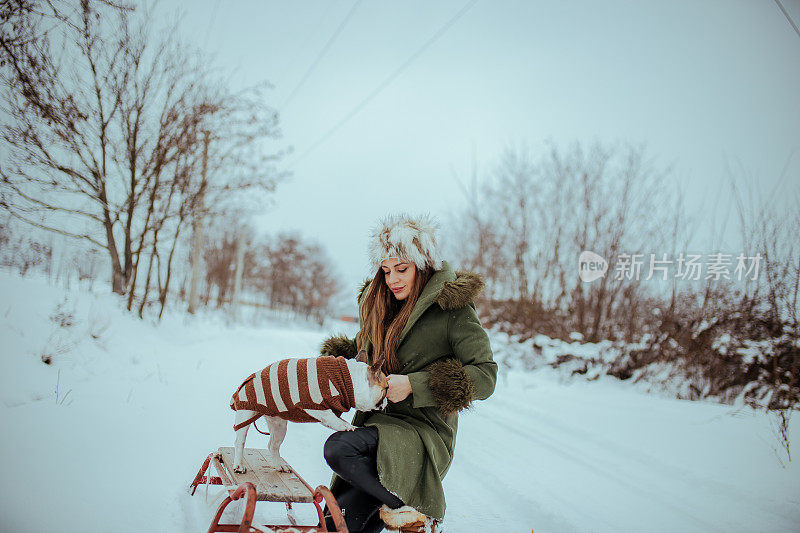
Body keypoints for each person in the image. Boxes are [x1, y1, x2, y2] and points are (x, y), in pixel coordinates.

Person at [318, 212, 498, 533]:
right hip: (378, 422)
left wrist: (416, 385)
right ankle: (397, 507)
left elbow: (485, 375)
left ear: (423, 265)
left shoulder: (451, 307)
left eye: (402, 269)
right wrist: (336, 366)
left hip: (423, 432)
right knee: (339, 525)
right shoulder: (377, 303)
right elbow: (364, 352)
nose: (392, 280)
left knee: (338, 448)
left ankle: (410, 510)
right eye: (386, 270)